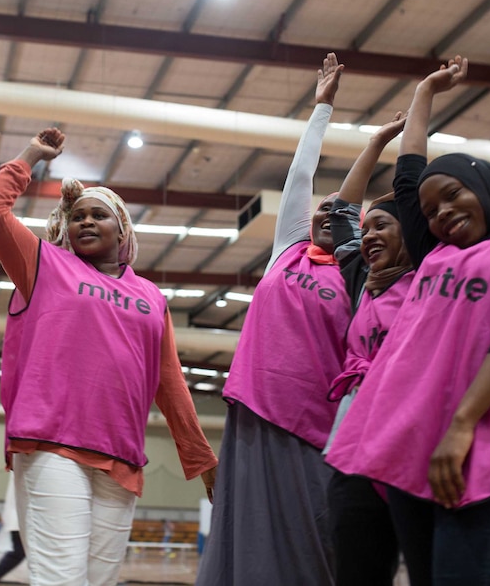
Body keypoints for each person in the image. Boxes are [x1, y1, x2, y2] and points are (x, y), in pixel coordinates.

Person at [0, 127, 218, 586]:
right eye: (78, 216)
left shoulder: (150, 296)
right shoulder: (45, 264)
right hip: (52, 444)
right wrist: (31, 155)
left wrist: (201, 459)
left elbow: (169, 382)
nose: (85, 221)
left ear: (121, 228)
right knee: (61, 579)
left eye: (99, 216)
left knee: (99, 582)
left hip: (122, 455)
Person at [327, 56, 490, 586]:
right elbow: (409, 171)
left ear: (487, 188)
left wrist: (462, 424)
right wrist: (424, 94)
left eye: (454, 196)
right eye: (430, 209)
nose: (440, 213)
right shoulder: (433, 253)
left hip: (479, 446)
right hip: (410, 450)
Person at [195, 54, 350, 586]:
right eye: (322, 209)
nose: (326, 212)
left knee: (315, 547)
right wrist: (322, 108)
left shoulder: (356, 274)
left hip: (313, 425)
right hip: (253, 411)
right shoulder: (289, 249)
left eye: (341, 211)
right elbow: (301, 175)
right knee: (246, 542)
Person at [322, 111, 410, 586]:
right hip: (352, 446)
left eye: (383, 226)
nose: (370, 234)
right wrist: (376, 142)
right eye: (367, 227)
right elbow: (341, 212)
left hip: (410, 441)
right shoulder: (363, 284)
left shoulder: (435, 282)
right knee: (356, 571)